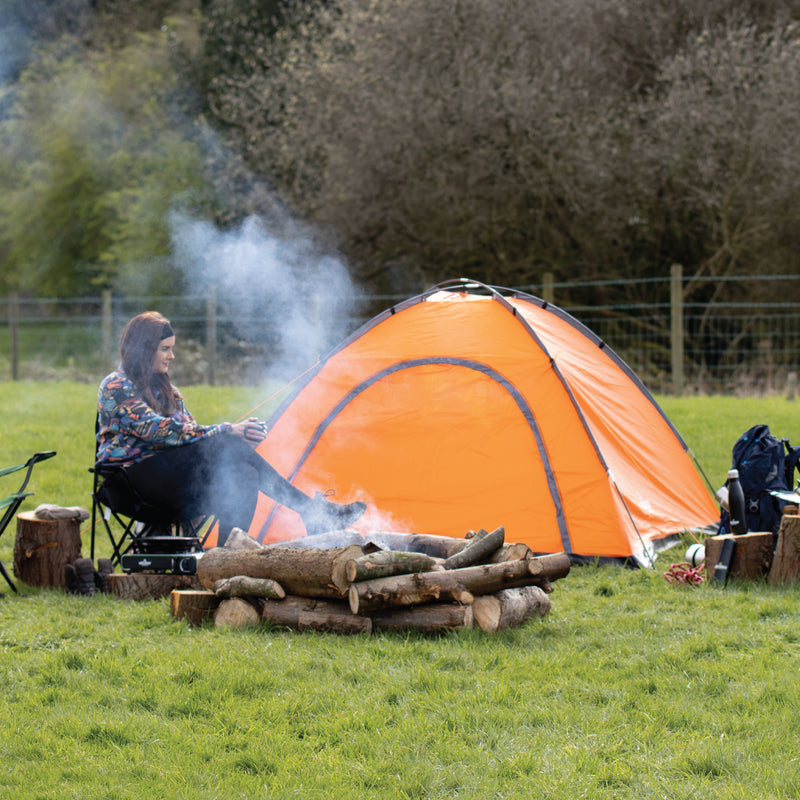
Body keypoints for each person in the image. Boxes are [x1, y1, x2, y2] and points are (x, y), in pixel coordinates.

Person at [96, 311, 366, 545]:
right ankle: (309, 511)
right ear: (145, 348)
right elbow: (159, 431)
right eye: (165, 349)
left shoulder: (167, 390)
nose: (172, 356)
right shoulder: (116, 386)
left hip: (170, 480)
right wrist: (227, 432)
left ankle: (224, 560)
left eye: (171, 348)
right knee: (227, 443)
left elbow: (191, 434)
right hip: (130, 484)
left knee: (241, 472)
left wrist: (234, 444)